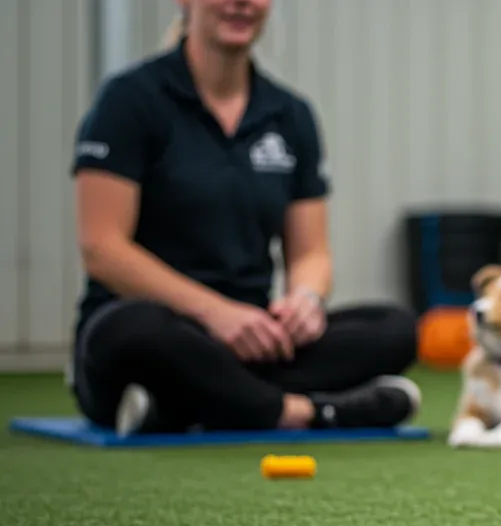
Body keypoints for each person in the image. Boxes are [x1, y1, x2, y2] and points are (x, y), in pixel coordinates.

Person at [69, 0, 421, 436]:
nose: (241, 3)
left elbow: (311, 252)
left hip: (253, 342)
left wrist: (306, 301)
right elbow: (102, 249)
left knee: (394, 328)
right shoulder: (129, 100)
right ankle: (308, 412)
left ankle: (184, 405)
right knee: (126, 329)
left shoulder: (290, 115)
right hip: (159, 332)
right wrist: (215, 314)